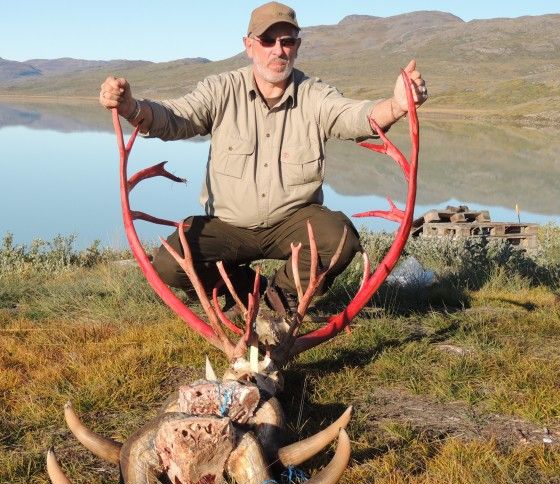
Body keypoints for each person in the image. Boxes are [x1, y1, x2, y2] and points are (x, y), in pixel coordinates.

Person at [99, 1, 427, 315]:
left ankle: (278, 300)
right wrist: (133, 109)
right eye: (267, 40)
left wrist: (398, 105)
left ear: (297, 46)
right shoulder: (221, 89)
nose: (277, 50)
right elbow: (176, 116)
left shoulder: (314, 95)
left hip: (293, 223)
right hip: (228, 226)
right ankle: (244, 290)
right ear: (249, 45)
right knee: (171, 264)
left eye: (287, 41)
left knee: (340, 238)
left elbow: (355, 115)